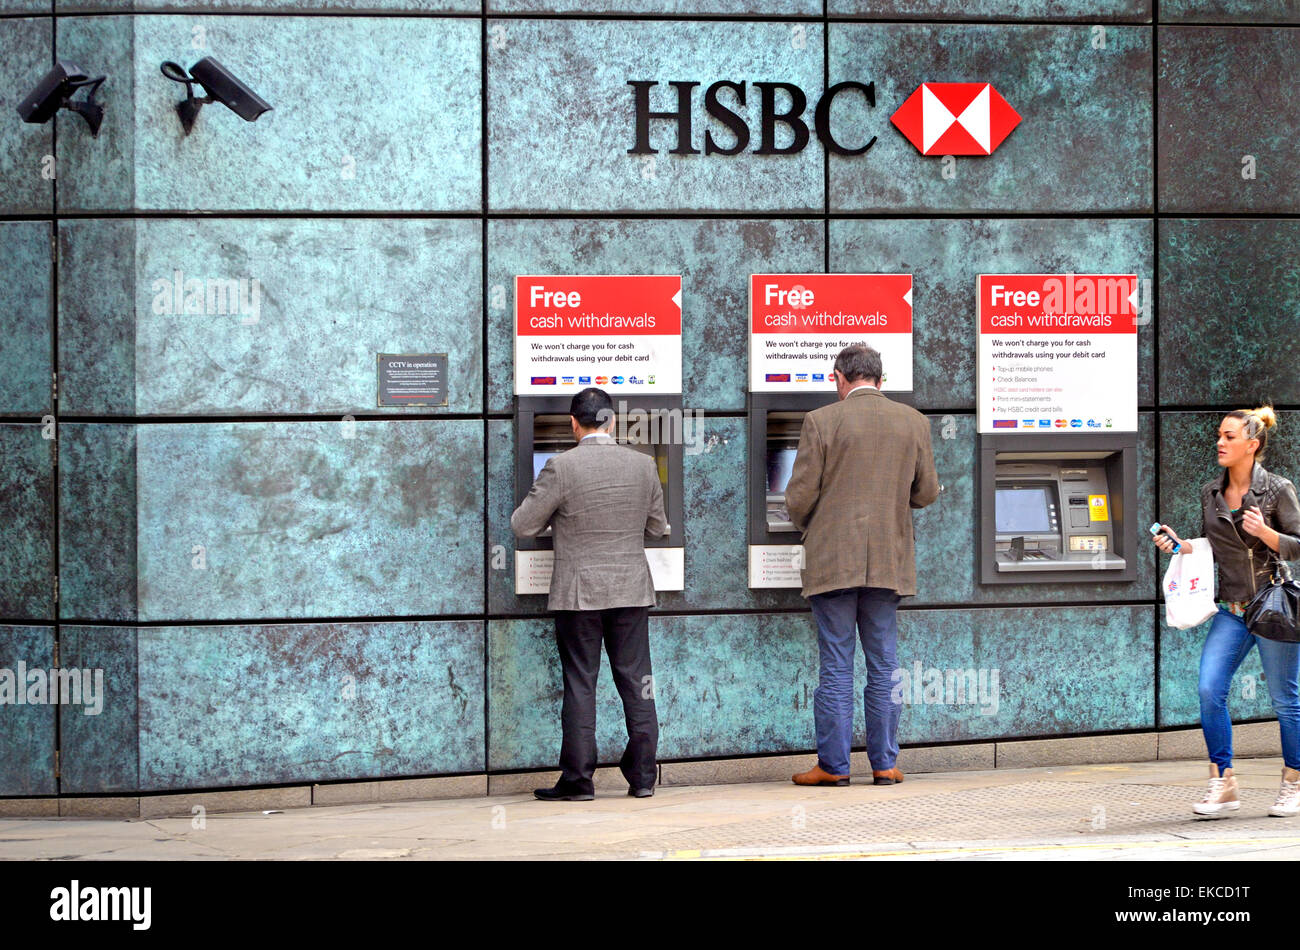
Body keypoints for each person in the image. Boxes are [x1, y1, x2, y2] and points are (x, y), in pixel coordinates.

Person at [784, 344, 940, 787]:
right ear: (881, 380)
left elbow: (799, 497)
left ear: (839, 377)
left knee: (836, 665)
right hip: (889, 561)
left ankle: (833, 767)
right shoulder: (913, 422)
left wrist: (810, 523)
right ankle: (885, 764)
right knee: (885, 664)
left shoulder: (821, 421)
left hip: (834, 561)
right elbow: (926, 492)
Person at [511, 387, 668, 801]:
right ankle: (642, 778)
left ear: (573, 423)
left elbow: (523, 525)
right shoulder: (643, 465)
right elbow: (657, 527)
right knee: (638, 683)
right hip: (631, 591)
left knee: (581, 683)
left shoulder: (560, 467)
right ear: (612, 421)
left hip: (578, 595)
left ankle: (579, 781)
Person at [1154, 406, 1300, 818]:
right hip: (1232, 610)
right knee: (1209, 689)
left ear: (1252, 445)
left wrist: (1268, 534)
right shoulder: (1210, 492)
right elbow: (1214, 546)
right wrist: (1181, 546)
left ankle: (1294, 780)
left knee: (1285, 700)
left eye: (1230, 436)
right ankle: (1224, 783)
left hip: (1272, 607)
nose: (1220, 442)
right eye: (1220, 435)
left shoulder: (1277, 489)